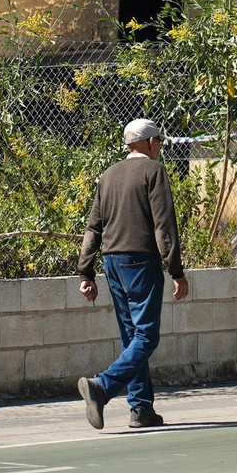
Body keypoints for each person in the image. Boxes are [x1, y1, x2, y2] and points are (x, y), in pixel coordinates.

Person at [76, 118, 191, 429]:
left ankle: (140, 408)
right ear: (150, 142)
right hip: (141, 262)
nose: (161, 147)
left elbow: (93, 227)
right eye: (160, 142)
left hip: (111, 262)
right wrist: (176, 270)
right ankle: (102, 386)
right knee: (146, 337)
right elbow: (163, 225)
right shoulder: (154, 171)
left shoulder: (109, 175)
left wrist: (86, 273)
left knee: (132, 337)